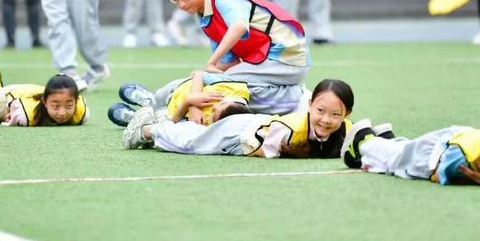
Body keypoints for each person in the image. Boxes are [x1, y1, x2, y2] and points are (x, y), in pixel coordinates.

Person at [162, 0, 310, 89]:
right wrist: (200, 74)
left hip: (288, 55)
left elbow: (239, 26)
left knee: (221, 85)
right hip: (270, 62)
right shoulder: (206, 19)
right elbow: (229, 64)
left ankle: (297, 100)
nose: (181, 4)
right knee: (206, 81)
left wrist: (210, 65)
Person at [122, 79, 356, 160]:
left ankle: (159, 120)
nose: (326, 120)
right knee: (193, 143)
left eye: (336, 115)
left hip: (245, 134)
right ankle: (146, 130)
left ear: (347, 115)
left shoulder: (346, 131)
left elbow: (364, 138)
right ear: (310, 106)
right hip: (242, 133)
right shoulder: (291, 129)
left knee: (193, 138)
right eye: (320, 111)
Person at [341, 99, 480, 185]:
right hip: (439, 153)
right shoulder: (461, 157)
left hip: (462, 136)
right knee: (396, 162)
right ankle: (364, 139)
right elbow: (437, 175)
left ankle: (386, 137)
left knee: (406, 149)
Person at [108, 70, 250, 127]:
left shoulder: (210, 128)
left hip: (168, 114)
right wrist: (195, 105)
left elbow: (172, 124)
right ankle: (148, 101)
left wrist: (188, 103)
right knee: (154, 99)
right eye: (219, 105)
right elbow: (198, 74)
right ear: (230, 101)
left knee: (156, 123)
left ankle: (137, 118)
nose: (212, 108)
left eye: (214, 114)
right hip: (176, 88)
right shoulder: (236, 88)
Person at [0, 74, 88, 126]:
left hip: (22, 90)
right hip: (8, 99)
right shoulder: (24, 114)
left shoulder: (81, 113)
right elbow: (10, 115)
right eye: (56, 106)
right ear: (45, 102)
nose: (62, 113)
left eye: (68, 106)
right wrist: (6, 116)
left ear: (76, 102)